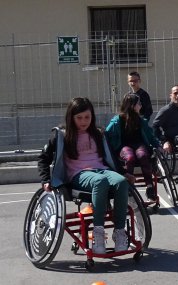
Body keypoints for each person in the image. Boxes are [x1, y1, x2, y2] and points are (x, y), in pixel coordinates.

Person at [38, 97, 132, 254]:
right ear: (71, 117)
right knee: (100, 181)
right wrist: (45, 180)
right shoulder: (62, 135)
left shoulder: (99, 133)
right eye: (79, 118)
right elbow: (43, 158)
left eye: (87, 117)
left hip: (101, 169)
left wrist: (124, 173)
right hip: (78, 174)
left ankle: (120, 231)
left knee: (121, 182)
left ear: (92, 117)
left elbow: (111, 157)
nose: (83, 121)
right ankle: (98, 233)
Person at [105, 93, 161, 201]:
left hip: (138, 145)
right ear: (132, 105)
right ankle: (128, 186)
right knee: (130, 157)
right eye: (139, 103)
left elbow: (150, 135)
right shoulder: (117, 120)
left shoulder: (141, 120)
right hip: (123, 146)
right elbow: (107, 134)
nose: (140, 106)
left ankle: (149, 187)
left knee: (143, 155)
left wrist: (158, 145)